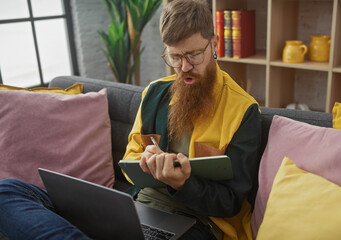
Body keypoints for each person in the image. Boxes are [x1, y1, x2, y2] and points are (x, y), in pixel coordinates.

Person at [0, 0, 261, 239]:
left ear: (214, 44)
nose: (183, 67)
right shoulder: (155, 93)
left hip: (200, 223)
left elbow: (230, 203)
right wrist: (145, 161)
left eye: (193, 55)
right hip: (136, 208)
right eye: (175, 57)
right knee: (8, 191)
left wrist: (182, 183)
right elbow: (129, 161)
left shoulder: (243, 110)